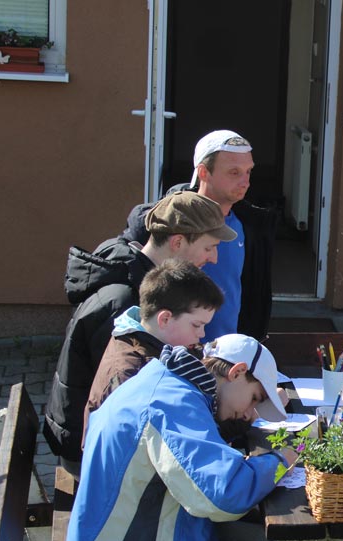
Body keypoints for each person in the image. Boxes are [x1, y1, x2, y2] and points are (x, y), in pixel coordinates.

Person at [65, 334, 313, 541]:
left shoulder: (173, 381)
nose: (250, 412)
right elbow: (224, 497)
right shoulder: (173, 403)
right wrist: (283, 460)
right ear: (237, 372)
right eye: (254, 398)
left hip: (135, 535)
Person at [44, 191, 236, 476]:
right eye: (209, 247)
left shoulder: (139, 282)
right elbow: (122, 399)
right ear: (178, 242)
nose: (214, 258)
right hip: (89, 453)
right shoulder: (125, 300)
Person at [122, 130, 255, 342]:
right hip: (173, 351)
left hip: (223, 352)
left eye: (248, 171)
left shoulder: (247, 224)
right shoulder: (167, 221)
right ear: (203, 172)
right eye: (234, 172)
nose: (245, 181)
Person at [83, 259, 224, 437]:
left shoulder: (164, 348)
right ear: (165, 319)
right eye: (196, 325)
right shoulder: (130, 372)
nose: (202, 334)